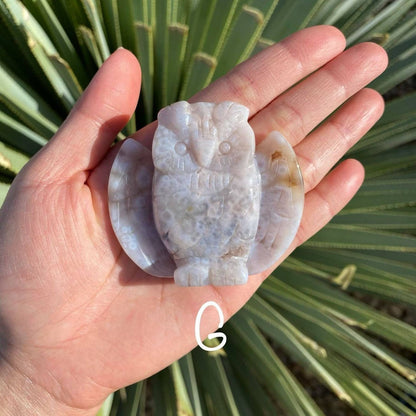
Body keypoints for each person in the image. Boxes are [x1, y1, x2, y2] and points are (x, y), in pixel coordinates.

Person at [0, 25, 387, 415]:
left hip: (234, 258)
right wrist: (28, 379)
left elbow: (270, 199)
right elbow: (140, 208)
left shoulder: (251, 171)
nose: (203, 156)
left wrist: (29, 383)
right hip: (182, 261)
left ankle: (226, 260)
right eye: (185, 145)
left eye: (221, 146)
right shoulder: (151, 175)